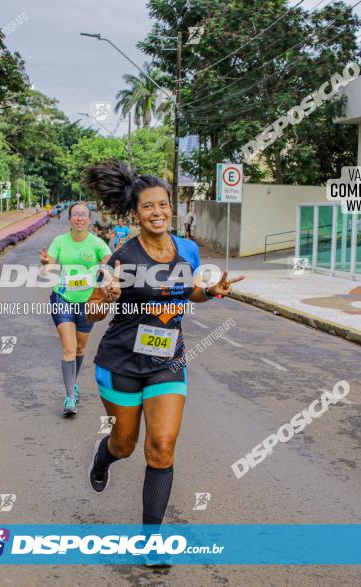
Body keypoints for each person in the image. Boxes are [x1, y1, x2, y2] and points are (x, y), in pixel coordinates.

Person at [82, 160, 243, 565]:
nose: (158, 212)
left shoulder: (186, 248)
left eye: (164, 205)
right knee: (125, 444)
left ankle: (150, 542)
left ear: (171, 207)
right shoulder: (121, 257)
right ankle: (104, 457)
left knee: (162, 448)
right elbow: (90, 314)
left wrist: (213, 291)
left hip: (167, 361)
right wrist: (104, 297)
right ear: (135, 213)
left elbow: (189, 293)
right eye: (148, 207)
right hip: (120, 362)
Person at [39, 202, 111, 416]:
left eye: (83, 215)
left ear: (89, 219)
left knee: (80, 349)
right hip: (62, 298)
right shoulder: (60, 241)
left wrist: (108, 274)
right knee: (69, 348)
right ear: (70, 219)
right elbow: (49, 264)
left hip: (88, 303)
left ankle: (74, 383)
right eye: (75, 215)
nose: (79, 218)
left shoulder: (97, 243)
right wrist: (45, 263)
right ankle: (70, 397)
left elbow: (110, 261)